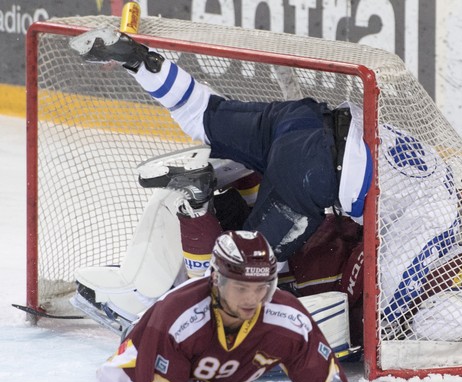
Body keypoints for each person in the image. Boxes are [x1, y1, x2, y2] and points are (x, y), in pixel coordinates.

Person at [69, 27, 373, 274]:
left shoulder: (410, 149)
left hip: (304, 120)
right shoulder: (414, 206)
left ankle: (136, 60)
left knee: (202, 111)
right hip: (314, 170)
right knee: (248, 269)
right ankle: (199, 209)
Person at [96, 230, 349, 382]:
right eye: (241, 288)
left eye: (261, 287)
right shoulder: (178, 319)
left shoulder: (289, 319)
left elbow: (329, 381)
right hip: (131, 378)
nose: (252, 299)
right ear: (216, 280)